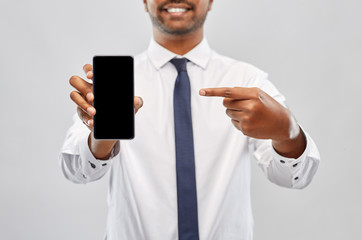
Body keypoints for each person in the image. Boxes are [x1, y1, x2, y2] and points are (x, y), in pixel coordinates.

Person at [60, 0, 320, 239]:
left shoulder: (247, 81)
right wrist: (101, 139)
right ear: (143, 1)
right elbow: (76, 170)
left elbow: (293, 176)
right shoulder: (116, 84)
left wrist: (287, 133)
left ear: (211, 1)